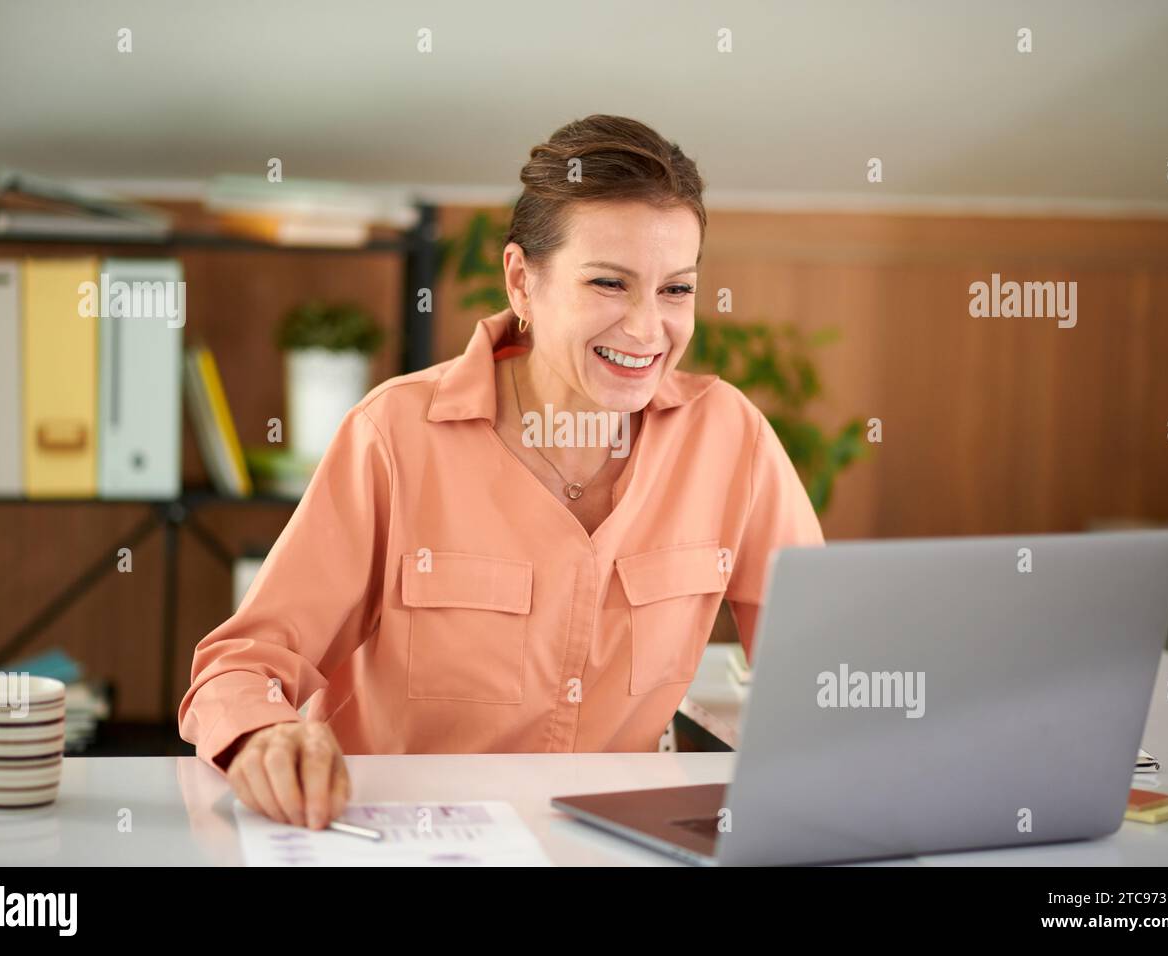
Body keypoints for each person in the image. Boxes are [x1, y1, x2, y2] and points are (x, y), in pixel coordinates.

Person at [177, 114, 824, 830]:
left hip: (611, 846)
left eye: (676, 290)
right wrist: (263, 735)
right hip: (403, 843)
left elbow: (821, 668)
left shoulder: (729, 440)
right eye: (610, 284)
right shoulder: (395, 435)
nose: (648, 329)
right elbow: (240, 663)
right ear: (522, 280)